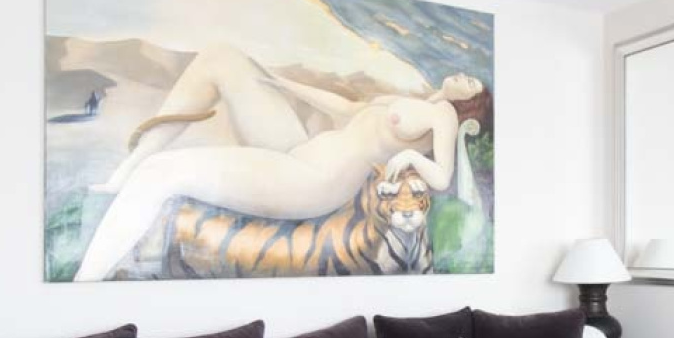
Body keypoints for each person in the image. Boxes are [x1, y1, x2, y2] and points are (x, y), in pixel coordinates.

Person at [73, 42, 485, 281]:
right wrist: (281, 85)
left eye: (473, 84)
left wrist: (410, 154)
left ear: (467, 103)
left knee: (161, 173)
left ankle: (84, 281)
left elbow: (442, 178)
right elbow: (346, 108)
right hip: (298, 148)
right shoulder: (416, 103)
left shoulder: (442, 116)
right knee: (222, 57)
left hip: (313, 181)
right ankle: (130, 165)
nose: (466, 78)